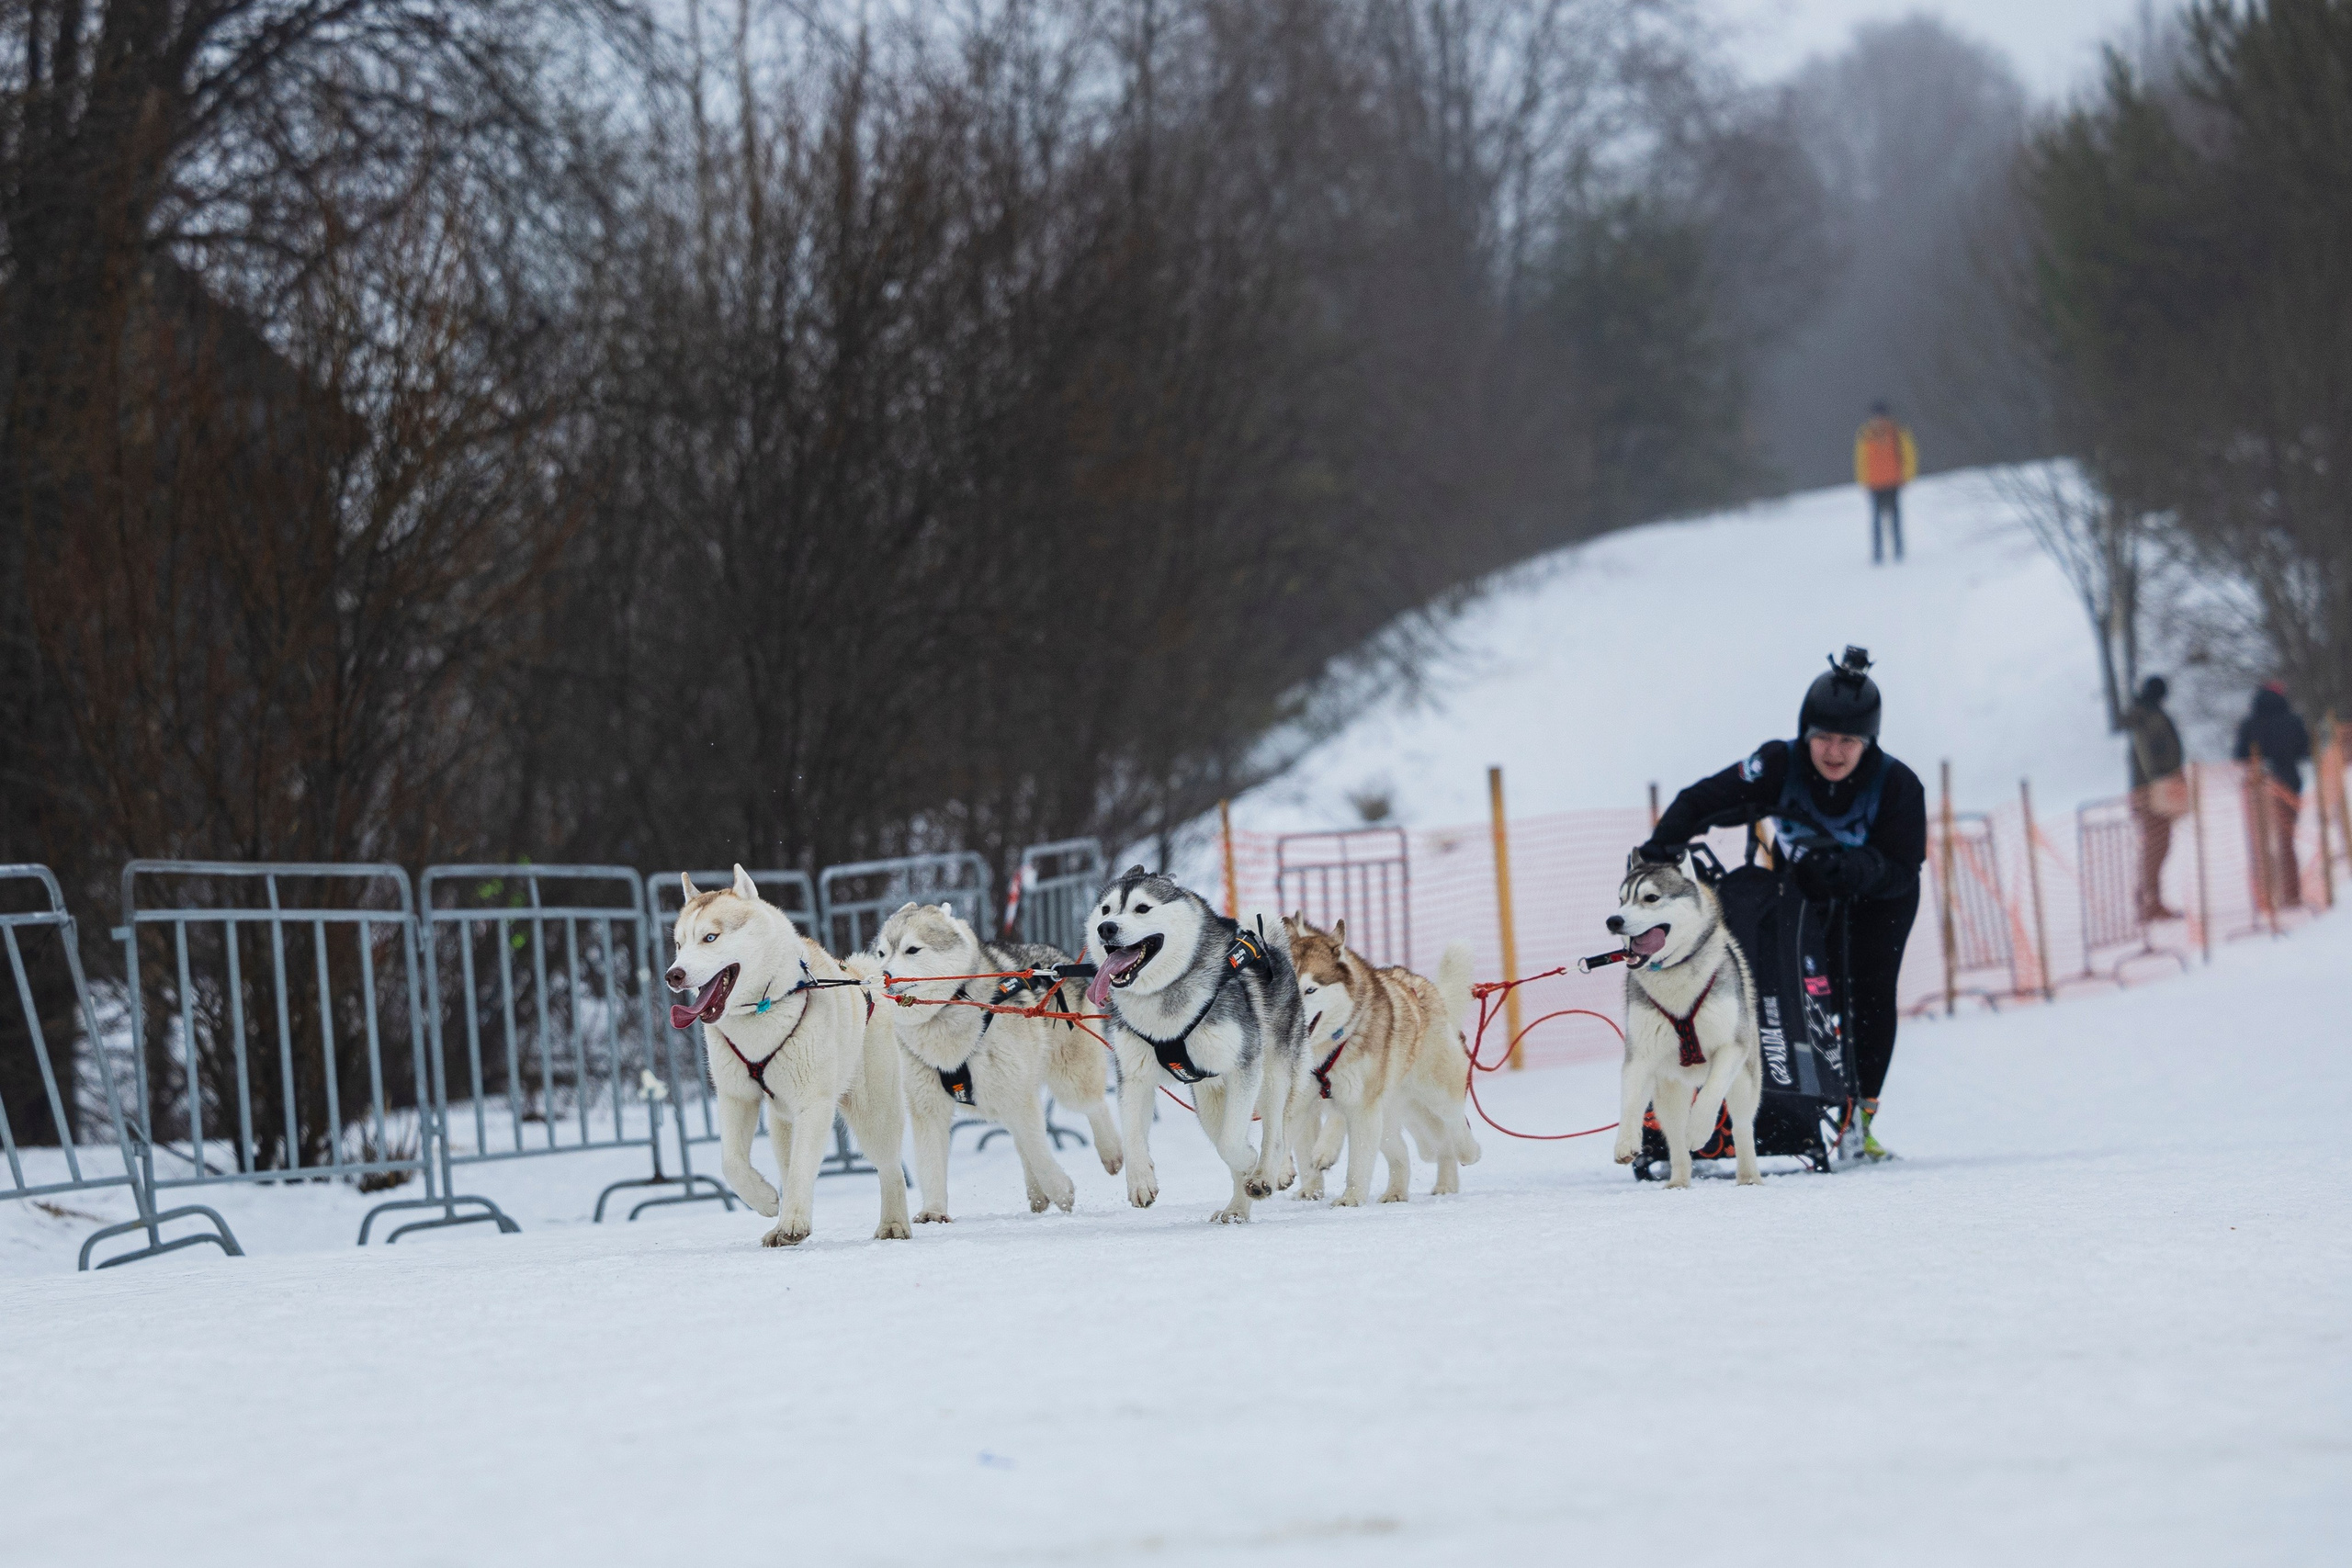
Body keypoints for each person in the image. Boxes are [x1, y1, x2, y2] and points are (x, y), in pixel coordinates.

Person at [1637, 648, 1926, 1160]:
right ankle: (1764, 1104)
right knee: (1785, 990)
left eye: (1848, 742)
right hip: (1806, 891)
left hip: (1879, 903)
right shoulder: (1777, 763)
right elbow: (1700, 800)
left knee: (1868, 995)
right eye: (1822, 739)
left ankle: (1860, 1121)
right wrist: (1660, 854)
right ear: (1804, 734)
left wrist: (1848, 868)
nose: (1833, 753)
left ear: (1868, 743)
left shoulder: (1898, 785)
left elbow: (1903, 869)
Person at [2233, 681, 2311, 908]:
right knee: (2286, 840)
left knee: (2260, 843)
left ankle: (2266, 896)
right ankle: (2291, 893)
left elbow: (2239, 756)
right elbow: (2303, 751)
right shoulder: (2293, 720)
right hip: (2288, 784)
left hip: (2257, 786)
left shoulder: (2249, 723)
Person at [2122, 675, 2187, 922]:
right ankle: (2149, 902)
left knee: (2158, 846)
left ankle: (2150, 900)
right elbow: (2148, 755)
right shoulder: (2147, 718)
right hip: (2152, 789)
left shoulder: (2148, 715)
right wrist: (2162, 778)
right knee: (2156, 847)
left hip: (2152, 786)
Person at [1853, 400, 1917, 565]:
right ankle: (1878, 553)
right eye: (1876, 416)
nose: (1878, 419)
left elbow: (1909, 454)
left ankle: (1898, 551)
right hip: (1874, 483)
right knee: (1876, 520)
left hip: (1893, 480)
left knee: (1895, 518)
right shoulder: (1865, 434)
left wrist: (1907, 475)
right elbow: (1861, 459)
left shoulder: (1897, 431)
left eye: (1881, 415)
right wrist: (1863, 479)